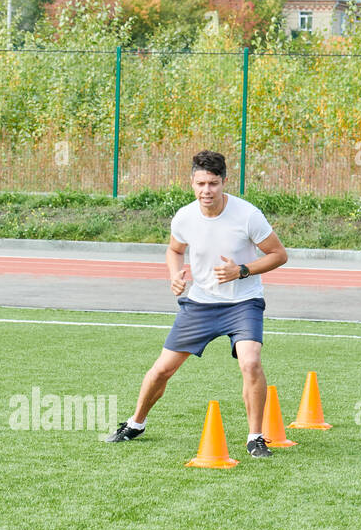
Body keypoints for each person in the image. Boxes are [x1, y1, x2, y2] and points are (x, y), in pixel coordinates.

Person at [105, 150, 288, 457]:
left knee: (251, 362)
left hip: (243, 303)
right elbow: (174, 250)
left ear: (224, 182)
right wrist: (175, 275)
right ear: (192, 182)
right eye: (201, 183)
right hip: (200, 305)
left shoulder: (248, 215)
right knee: (162, 370)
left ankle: (255, 437)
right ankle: (136, 423)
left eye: (213, 184)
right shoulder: (185, 217)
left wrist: (241, 270)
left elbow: (279, 255)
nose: (207, 191)